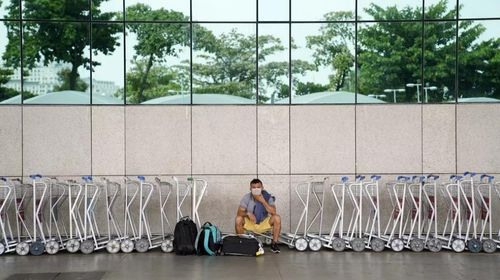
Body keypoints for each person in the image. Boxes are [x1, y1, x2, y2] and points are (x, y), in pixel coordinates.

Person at [235, 178, 281, 253]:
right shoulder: (247, 197)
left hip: (263, 223)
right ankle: (243, 244)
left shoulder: (267, 197)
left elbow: (273, 212)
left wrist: (263, 201)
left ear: (262, 188)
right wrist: (248, 213)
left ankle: (274, 244)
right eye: (254, 187)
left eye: (258, 187)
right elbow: (239, 213)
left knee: (277, 218)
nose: (256, 189)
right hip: (251, 222)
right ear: (250, 189)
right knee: (238, 219)